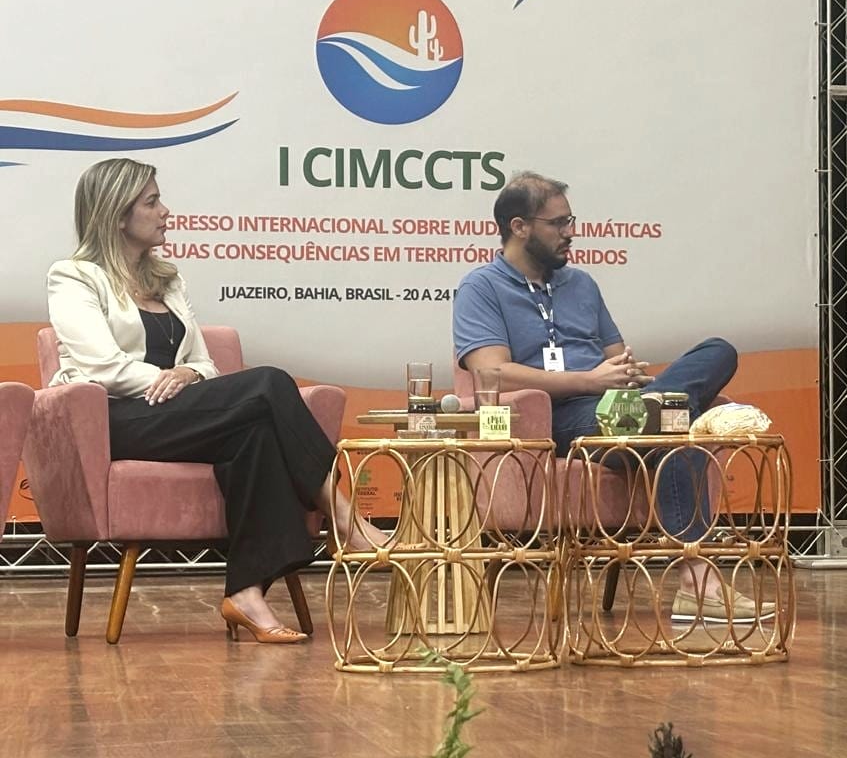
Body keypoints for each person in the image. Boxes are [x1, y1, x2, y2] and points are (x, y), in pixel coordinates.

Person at [46, 158, 379, 644]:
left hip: (176, 412)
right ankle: (345, 518)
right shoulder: (74, 276)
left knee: (256, 434)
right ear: (117, 215)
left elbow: (204, 363)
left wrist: (187, 374)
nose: (165, 211)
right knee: (269, 382)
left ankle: (246, 593)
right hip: (119, 418)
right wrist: (174, 381)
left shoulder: (167, 279)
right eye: (152, 202)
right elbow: (102, 367)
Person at [452, 171, 772, 623]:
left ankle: (661, 409)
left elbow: (617, 359)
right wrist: (591, 381)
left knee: (718, 353)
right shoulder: (481, 287)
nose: (570, 233)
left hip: (622, 404)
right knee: (674, 423)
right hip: (561, 417)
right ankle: (699, 583)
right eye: (557, 223)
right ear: (519, 226)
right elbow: (493, 373)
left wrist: (630, 375)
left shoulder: (581, 284)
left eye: (570, 221)